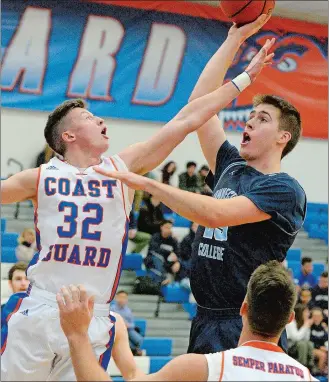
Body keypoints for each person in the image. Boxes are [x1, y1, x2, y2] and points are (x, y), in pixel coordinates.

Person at [1, 15, 272, 379]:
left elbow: (187, 119)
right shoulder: (38, 177)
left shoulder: (123, 168)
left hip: (93, 315)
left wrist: (244, 77)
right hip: (41, 306)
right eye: (89, 116)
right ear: (67, 137)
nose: (100, 120)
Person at [95, 20, 305, 355]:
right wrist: (234, 39)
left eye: (263, 118)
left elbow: (213, 213)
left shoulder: (283, 189)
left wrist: (149, 183)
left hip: (242, 322)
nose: (250, 120)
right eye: (250, 115)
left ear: (284, 138)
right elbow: (200, 105)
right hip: (205, 316)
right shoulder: (232, 166)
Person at [56, 261, 318, 381]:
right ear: (290, 319)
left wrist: (78, 337)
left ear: (243, 308)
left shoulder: (203, 368)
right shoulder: (307, 377)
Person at [144, 220, 180, 285]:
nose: (168, 229)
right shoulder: (155, 237)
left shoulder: (173, 240)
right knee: (158, 258)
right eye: (166, 227)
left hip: (167, 262)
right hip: (152, 260)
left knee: (181, 264)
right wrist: (169, 252)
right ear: (161, 227)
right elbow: (154, 250)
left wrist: (177, 262)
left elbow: (178, 253)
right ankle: (163, 279)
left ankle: (179, 284)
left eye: (170, 228)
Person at [110, 290, 144, 356]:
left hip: (128, 329)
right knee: (126, 342)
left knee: (139, 339)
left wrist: (128, 325)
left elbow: (132, 324)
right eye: (120, 297)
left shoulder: (128, 310)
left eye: (124, 297)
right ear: (116, 298)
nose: (122, 299)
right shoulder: (112, 309)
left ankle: (134, 350)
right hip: (117, 330)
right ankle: (132, 351)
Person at [286, 303, 314, 370]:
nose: (308, 314)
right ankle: (302, 365)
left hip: (298, 345)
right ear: (300, 312)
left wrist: (306, 326)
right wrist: (305, 326)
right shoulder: (291, 323)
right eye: (306, 312)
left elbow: (307, 339)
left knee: (309, 343)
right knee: (302, 344)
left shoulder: (304, 322)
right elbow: (296, 338)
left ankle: (310, 365)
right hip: (290, 346)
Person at [1, 262, 30, 327]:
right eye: (18, 279)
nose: (23, 283)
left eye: (27, 279)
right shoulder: (1, 310)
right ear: (10, 283)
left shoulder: (44, 310)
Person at [310, 308, 328, 375]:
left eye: (319, 316)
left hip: (321, 348)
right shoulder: (309, 326)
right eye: (315, 316)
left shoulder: (323, 327)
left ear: (322, 317)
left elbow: (326, 339)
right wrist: (319, 347)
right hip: (311, 348)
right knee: (323, 355)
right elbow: (308, 340)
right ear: (311, 317)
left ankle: (325, 373)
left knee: (325, 352)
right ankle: (319, 374)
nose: (317, 318)